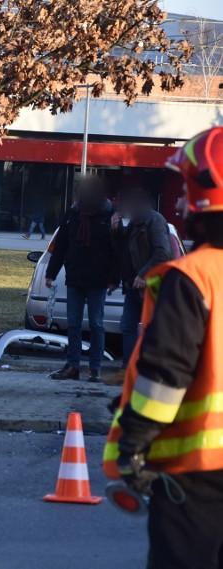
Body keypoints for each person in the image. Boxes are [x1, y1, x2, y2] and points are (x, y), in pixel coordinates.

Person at [102, 126, 223, 569]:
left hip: (199, 475)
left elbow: (165, 376)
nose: (178, 203)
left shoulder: (195, 277)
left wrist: (133, 444)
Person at [44, 176, 119, 382]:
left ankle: (95, 369)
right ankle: (73, 366)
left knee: (96, 324)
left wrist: (114, 278)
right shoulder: (73, 214)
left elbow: (117, 250)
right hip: (75, 276)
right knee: (73, 324)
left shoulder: (109, 215)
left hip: (98, 278)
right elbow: (61, 246)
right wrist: (51, 272)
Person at [110, 187, 173, 375]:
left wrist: (144, 274)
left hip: (151, 286)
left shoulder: (154, 221)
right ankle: (127, 370)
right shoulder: (135, 223)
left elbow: (163, 252)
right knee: (128, 326)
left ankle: (155, 371)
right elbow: (123, 251)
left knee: (153, 328)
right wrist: (116, 230)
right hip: (132, 287)